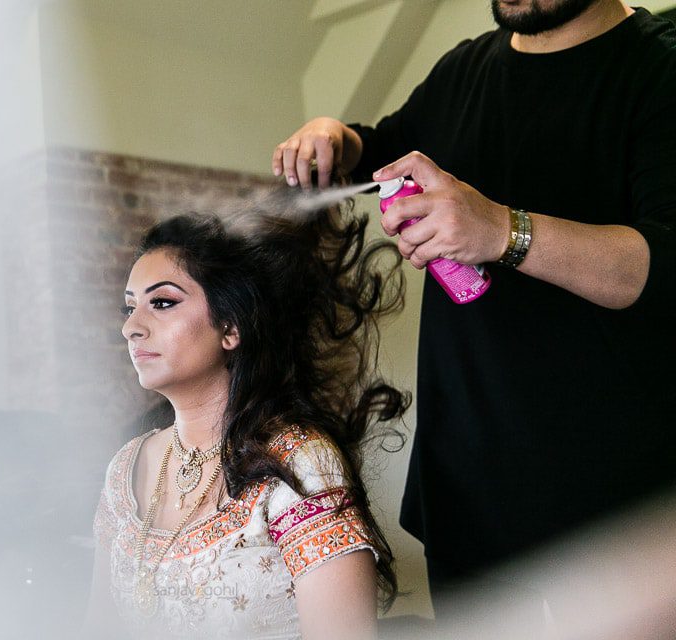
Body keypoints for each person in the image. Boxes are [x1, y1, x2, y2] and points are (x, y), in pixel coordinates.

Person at [272, 0, 676, 622]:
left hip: (617, 516)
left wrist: (500, 231)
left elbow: (660, 265)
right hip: (465, 490)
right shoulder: (463, 71)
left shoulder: (657, 65)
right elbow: (377, 150)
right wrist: (335, 134)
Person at [83, 207, 409, 639]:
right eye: (130, 309)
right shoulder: (125, 468)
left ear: (231, 327)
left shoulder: (301, 463)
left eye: (162, 303)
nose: (132, 329)